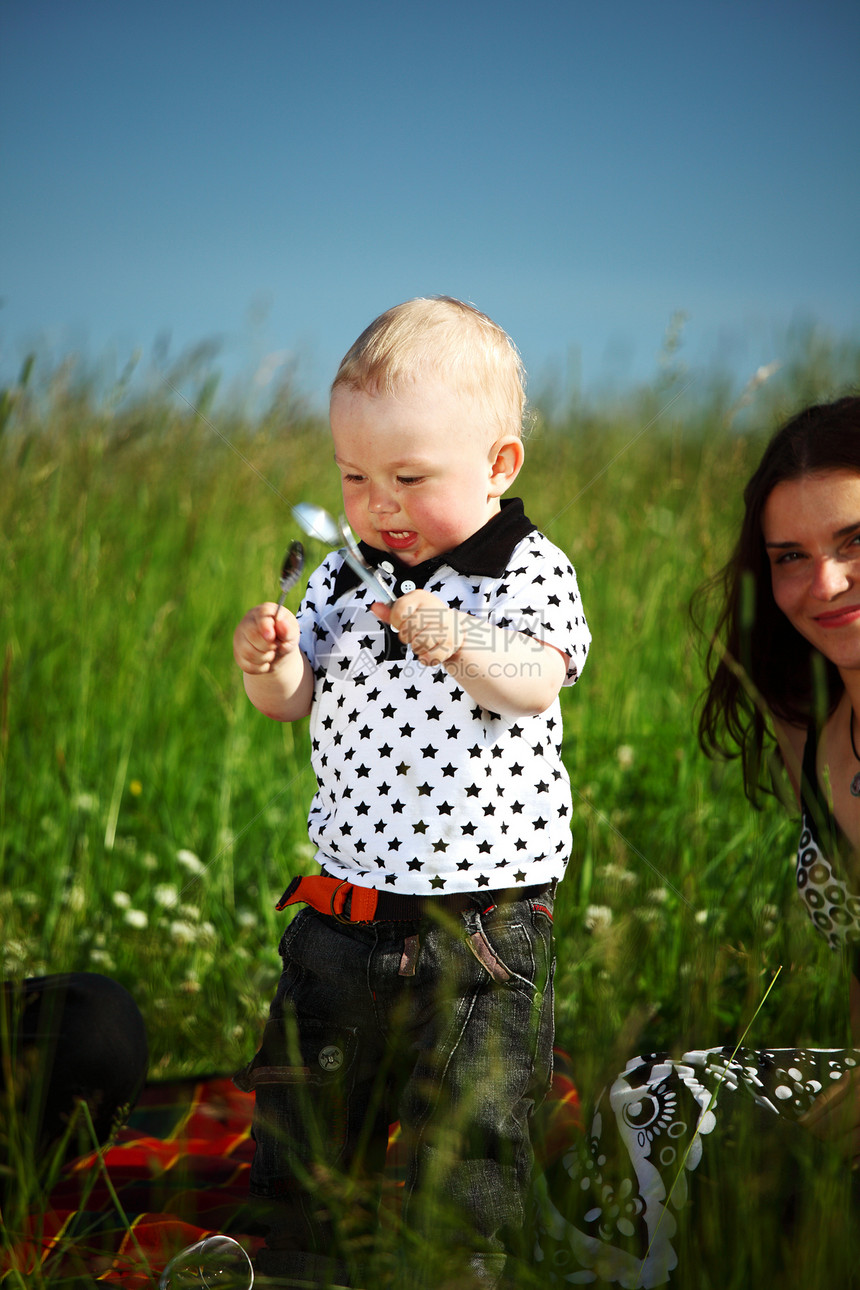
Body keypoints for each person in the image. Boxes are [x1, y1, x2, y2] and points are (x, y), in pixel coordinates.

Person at [232, 297, 591, 1287]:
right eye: (354, 477)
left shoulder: (523, 568)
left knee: (468, 1123)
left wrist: (460, 639)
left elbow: (535, 678)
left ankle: (452, 1262)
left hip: (478, 922)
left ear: (497, 466)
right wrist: (267, 666)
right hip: (345, 913)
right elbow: (291, 701)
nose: (378, 503)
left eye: (408, 477)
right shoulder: (345, 578)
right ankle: (306, 1257)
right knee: (312, 1105)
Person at [535, 396, 860, 1287]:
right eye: (791, 557)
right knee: (656, 1092)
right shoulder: (815, 727)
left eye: (855, 542)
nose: (823, 584)